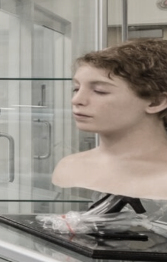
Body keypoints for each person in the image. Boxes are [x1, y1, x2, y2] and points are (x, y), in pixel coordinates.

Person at [52, 39, 167, 199]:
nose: (77, 100)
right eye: (76, 88)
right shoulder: (70, 167)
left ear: (156, 102)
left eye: (100, 91)